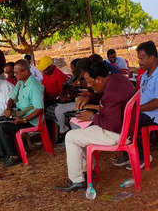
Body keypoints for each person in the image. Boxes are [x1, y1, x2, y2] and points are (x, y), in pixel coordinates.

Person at [56, 61, 136, 192]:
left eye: (89, 82)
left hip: (119, 134)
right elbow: (107, 104)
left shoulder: (111, 92)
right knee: (80, 132)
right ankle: (87, 171)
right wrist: (91, 100)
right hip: (125, 128)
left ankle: (77, 180)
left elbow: (111, 124)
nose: (88, 85)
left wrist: (92, 117)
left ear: (98, 79)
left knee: (70, 136)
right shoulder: (117, 79)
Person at [113, 41, 158, 169]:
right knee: (120, 115)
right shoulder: (146, 74)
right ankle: (128, 152)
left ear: (152, 57)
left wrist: (136, 109)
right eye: (138, 59)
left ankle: (143, 156)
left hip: (157, 115)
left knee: (130, 119)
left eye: (142, 58)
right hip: (145, 111)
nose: (139, 62)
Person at [0, 59, 44, 167]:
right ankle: (6, 155)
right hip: (20, 114)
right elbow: (11, 99)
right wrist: (8, 109)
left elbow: (39, 109)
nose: (14, 75)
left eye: (16, 73)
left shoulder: (34, 86)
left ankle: (14, 156)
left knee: (3, 127)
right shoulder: (21, 82)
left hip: (31, 120)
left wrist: (24, 120)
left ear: (25, 72)